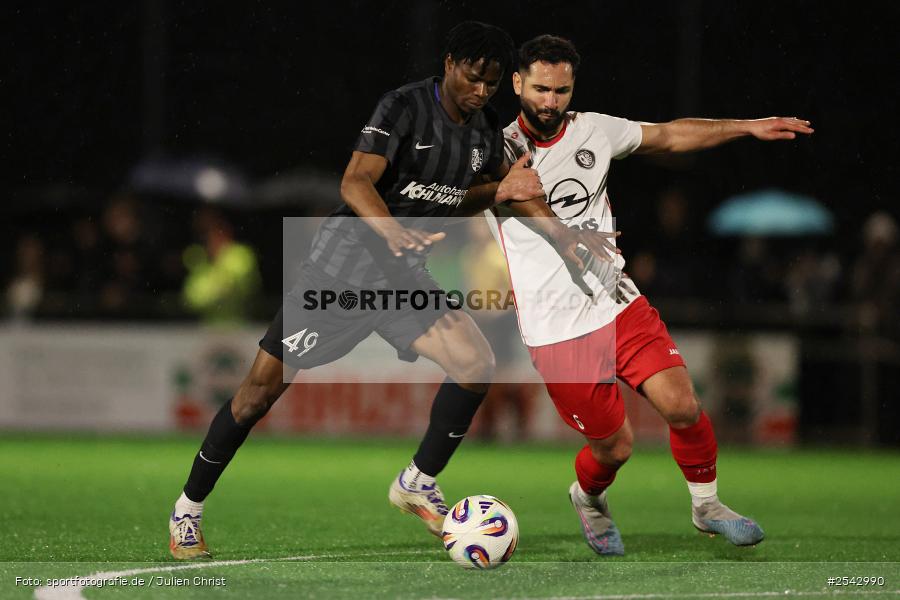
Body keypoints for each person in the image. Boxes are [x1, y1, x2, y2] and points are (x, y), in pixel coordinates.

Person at [167, 22, 611, 560]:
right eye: (472, 79)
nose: (479, 92)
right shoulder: (402, 108)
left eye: (491, 85)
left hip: (402, 282)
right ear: (449, 64)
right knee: (256, 395)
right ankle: (187, 511)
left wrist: (559, 235)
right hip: (339, 278)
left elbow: (484, 197)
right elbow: (354, 182)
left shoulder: (483, 133)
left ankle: (417, 481)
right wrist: (394, 230)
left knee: (475, 363)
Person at [488, 34, 813, 555]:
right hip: (557, 325)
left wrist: (745, 127)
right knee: (615, 447)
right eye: (541, 89)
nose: (551, 102)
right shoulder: (495, 151)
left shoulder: (593, 129)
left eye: (562, 90)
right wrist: (565, 235)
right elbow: (510, 198)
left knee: (683, 406)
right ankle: (588, 497)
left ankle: (706, 505)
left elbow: (669, 136)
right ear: (517, 83)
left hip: (616, 299)